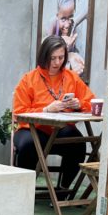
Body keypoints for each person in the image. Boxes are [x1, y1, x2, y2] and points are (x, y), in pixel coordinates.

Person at [12, 35, 94, 191]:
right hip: (32, 130)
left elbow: (91, 102)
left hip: (61, 132)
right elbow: (19, 112)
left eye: (61, 57)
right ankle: (24, 192)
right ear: (44, 56)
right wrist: (46, 110)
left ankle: (63, 190)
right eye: (53, 58)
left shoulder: (72, 77)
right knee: (27, 145)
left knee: (78, 143)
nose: (57, 62)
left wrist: (79, 104)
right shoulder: (29, 79)